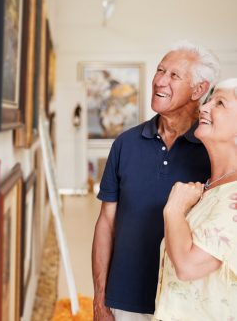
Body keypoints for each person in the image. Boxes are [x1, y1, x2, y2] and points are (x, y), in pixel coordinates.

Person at [92, 41, 220, 321]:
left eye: (174, 75)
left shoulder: (214, 149)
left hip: (187, 306)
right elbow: (106, 223)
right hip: (125, 301)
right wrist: (100, 299)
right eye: (160, 70)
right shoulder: (125, 143)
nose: (160, 80)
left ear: (199, 89)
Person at [153, 78, 237, 320]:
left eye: (219, 103)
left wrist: (174, 209)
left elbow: (189, 266)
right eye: (209, 100)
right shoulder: (212, 187)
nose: (205, 107)